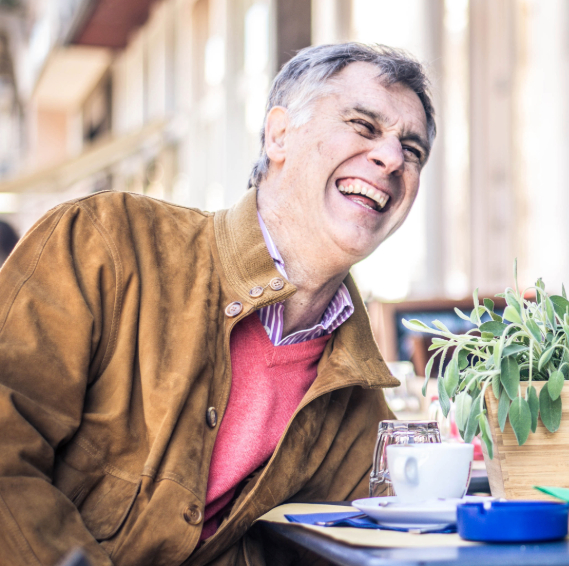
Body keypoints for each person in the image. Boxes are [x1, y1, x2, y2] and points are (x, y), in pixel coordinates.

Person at [0, 42, 434, 565]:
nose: (392, 159)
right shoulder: (104, 243)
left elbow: (395, 541)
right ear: (279, 135)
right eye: (364, 126)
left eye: (412, 151)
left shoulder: (358, 402)